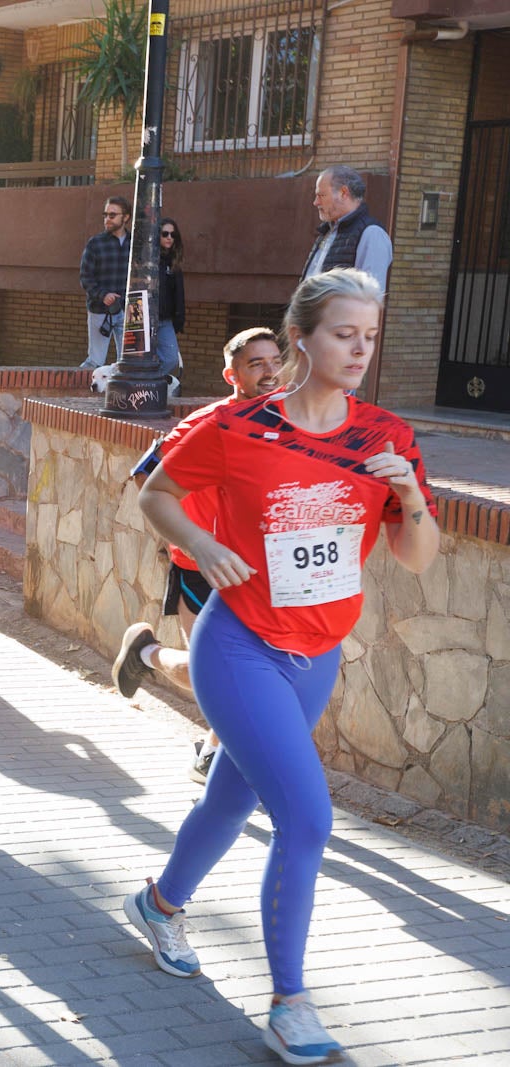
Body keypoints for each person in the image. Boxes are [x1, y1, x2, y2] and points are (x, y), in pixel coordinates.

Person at [125, 269, 437, 1066]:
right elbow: (156, 493)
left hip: (318, 655)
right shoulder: (237, 426)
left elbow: (416, 556)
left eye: (369, 335)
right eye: (344, 333)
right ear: (301, 336)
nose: (360, 348)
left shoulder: (386, 437)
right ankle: (289, 1003)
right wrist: (203, 544)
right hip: (239, 646)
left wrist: (415, 502)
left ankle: (160, 905)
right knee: (306, 818)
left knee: (232, 801)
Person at [112, 327, 284, 783]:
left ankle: (209, 749)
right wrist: (189, 540)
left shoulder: (289, 420)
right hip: (203, 568)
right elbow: (146, 477)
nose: (269, 372)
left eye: (274, 361)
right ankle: (146, 655)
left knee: (251, 675)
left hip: (263, 570)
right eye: (256, 364)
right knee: (216, 676)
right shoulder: (207, 424)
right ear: (233, 375)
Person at [302, 166, 392, 293]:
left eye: (321, 195)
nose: (316, 202)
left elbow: (369, 298)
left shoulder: (372, 234)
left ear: (344, 193)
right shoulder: (328, 231)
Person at [79, 196, 131, 368]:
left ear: (126, 217)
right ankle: (76, 390)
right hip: (100, 310)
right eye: (106, 215)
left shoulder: (135, 245)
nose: (107, 219)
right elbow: (86, 277)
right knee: (95, 361)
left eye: (112, 215)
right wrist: (103, 295)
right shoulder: (96, 243)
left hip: (128, 312)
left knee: (127, 363)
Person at [154, 218, 186, 378]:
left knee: (171, 359)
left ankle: (148, 383)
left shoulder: (174, 262)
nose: (169, 238)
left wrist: (179, 320)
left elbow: (178, 294)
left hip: (166, 320)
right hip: (146, 319)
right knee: (139, 358)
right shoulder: (149, 260)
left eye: (173, 235)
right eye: (165, 234)